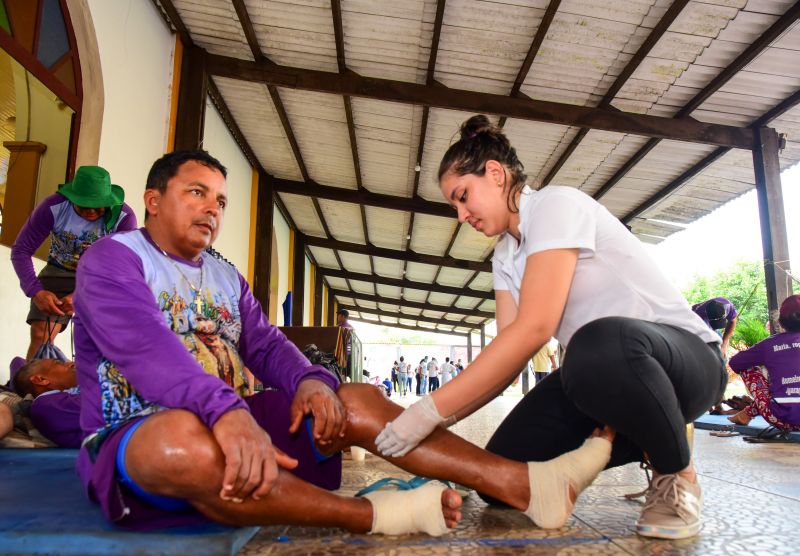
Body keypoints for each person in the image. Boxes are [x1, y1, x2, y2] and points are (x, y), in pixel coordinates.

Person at [71, 149, 616, 535]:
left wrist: (311, 380)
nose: (212, 209)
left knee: (350, 399)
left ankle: (526, 485)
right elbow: (144, 348)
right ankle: (374, 516)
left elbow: (263, 342)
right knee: (178, 443)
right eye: (196, 194)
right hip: (138, 432)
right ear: (153, 200)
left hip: (237, 422)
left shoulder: (224, 274)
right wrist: (224, 412)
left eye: (220, 200)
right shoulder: (113, 260)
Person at [375, 115, 726, 540]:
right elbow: (507, 354)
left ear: (495, 173)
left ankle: (677, 473)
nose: (461, 214)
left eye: (463, 197)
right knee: (504, 472)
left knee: (595, 344)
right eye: (454, 205)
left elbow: (536, 328)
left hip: (683, 364)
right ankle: (622, 444)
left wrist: (427, 408)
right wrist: (438, 421)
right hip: (601, 374)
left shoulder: (557, 206)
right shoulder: (504, 256)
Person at [11, 166, 137, 360]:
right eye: (84, 205)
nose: (91, 211)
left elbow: (122, 268)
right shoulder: (53, 207)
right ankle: (34, 386)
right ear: (72, 198)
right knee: (41, 333)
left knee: (102, 341)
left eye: (98, 205)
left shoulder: (124, 218)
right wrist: (35, 292)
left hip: (104, 279)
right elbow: (21, 251)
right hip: (59, 271)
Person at [727, 295, 800, 431]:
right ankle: (747, 413)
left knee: (748, 367)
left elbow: (736, 363)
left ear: (780, 322)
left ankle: (747, 414)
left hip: (779, 418)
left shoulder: (769, 344)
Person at [11, 358, 82, 448]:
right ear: (41, 379)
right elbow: (102, 408)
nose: (72, 363)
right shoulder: (46, 404)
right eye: (59, 363)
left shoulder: (69, 394)